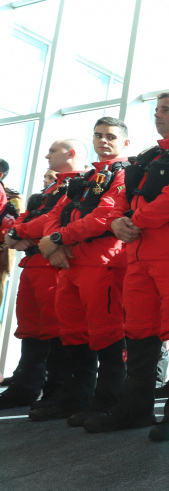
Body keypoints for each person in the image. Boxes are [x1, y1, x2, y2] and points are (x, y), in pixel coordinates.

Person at [84, 92, 169, 442]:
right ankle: (136, 408)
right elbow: (118, 198)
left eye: (167, 110)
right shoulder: (146, 157)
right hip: (139, 253)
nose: (158, 115)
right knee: (139, 329)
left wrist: (134, 220)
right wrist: (115, 223)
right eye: (156, 110)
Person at [32, 119, 131, 426]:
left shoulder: (126, 173)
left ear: (125, 143)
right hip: (69, 264)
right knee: (72, 333)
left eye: (111, 136)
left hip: (102, 262)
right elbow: (54, 214)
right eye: (98, 135)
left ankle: (107, 401)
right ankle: (75, 399)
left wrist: (59, 238)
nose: (103, 140)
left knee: (107, 332)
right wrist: (53, 243)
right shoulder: (86, 177)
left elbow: (106, 215)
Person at [0, 141, 86, 410]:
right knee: (31, 329)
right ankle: (26, 386)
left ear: (70, 154)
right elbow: (25, 217)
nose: (46, 155)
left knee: (54, 330)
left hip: (53, 264)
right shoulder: (51, 187)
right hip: (33, 263)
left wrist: (18, 234)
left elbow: (51, 217)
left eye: (52, 151)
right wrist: (17, 234)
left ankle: (56, 391)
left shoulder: (80, 184)